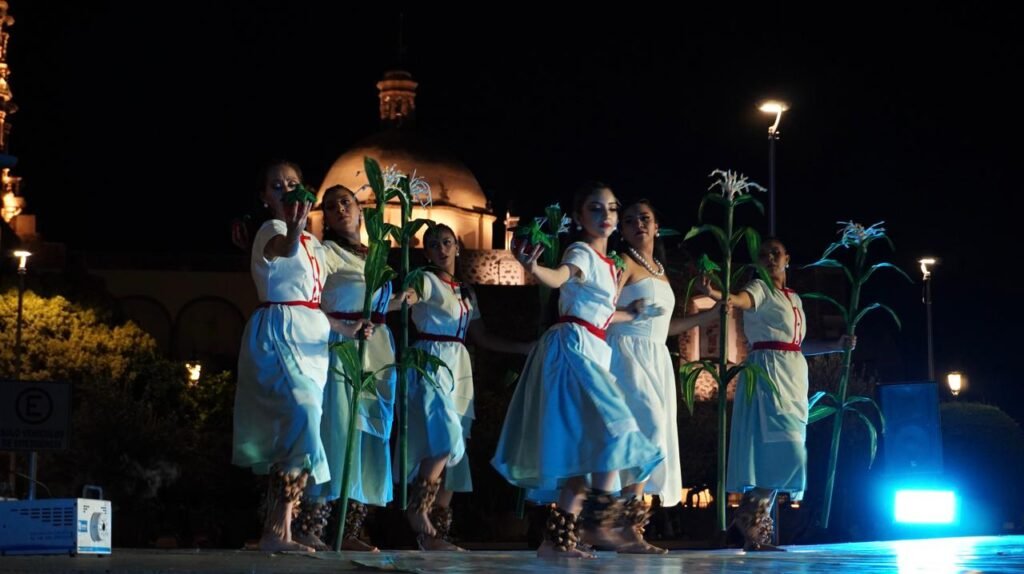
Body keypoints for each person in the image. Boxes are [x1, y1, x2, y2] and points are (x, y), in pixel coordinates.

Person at [491, 182, 664, 558]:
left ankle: (555, 543)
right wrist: (534, 267)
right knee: (617, 427)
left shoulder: (609, 264)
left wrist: (631, 313)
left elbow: (598, 313)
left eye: (612, 209)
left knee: (585, 455)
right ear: (578, 217)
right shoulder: (581, 252)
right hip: (573, 349)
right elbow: (559, 278)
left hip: (594, 346)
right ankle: (599, 523)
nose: (607, 216)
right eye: (596, 209)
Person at [232, 161, 368, 553]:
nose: (286, 189)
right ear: (265, 196)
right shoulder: (272, 231)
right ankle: (276, 530)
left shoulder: (315, 245)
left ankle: (281, 531)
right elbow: (282, 250)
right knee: (303, 418)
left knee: (300, 431)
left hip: (312, 336)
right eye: (277, 185)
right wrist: (293, 225)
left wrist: (347, 328)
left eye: (292, 183)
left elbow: (316, 299)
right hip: (279, 331)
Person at [700, 237, 854, 551]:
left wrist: (836, 345)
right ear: (757, 261)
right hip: (768, 373)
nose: (770, 258)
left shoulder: (793, 298)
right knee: (782, 446)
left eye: (776, 253)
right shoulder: (760, 287)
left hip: (794, 373)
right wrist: (718, 295)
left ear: (787, 258)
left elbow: (797, 344)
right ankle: (751, 515)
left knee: (787, 445)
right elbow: (741, 300)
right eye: (763, 254)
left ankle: (754, 524)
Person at [403, 223, 533, 551]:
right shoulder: (424, 279)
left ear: (458, 246)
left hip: (460, 367)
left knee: (455, 453)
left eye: (446, 242)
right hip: (430, 361)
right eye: (433, 244)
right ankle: (417, 509)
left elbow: (482, 337)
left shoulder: (466, 292)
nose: (441, 248)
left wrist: (524, 348)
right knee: (444, 440)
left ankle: (435, 537)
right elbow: (409, 298)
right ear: (426, 251)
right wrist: (398, 299)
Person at [291, 184, 404, 552]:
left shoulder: (376, 256)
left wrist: (409, 295)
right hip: (344, 349)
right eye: (332, 205)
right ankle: (312, 524)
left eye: (347, 201)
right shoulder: (328, 253)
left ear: (360, 209)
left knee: (366, 438)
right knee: (337, 433)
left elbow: (379, 302)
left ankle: (350, 528)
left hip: (377, 353)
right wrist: (340, 326)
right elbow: (309, 294)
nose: (341, 208)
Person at [607, 199, 722, 553]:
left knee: (650, 439)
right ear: (622, 230)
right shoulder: (623, 263)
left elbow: (664, 326)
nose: (638, 224)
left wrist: (708, 316)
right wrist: (629, 311)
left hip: (656, 357)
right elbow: (599, 311)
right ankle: (620, 524)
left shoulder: (659, 269)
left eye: (645, 218)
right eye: (629, 220)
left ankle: (629, 528)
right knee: (648, 431)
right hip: (626, 354)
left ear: (657, 226)